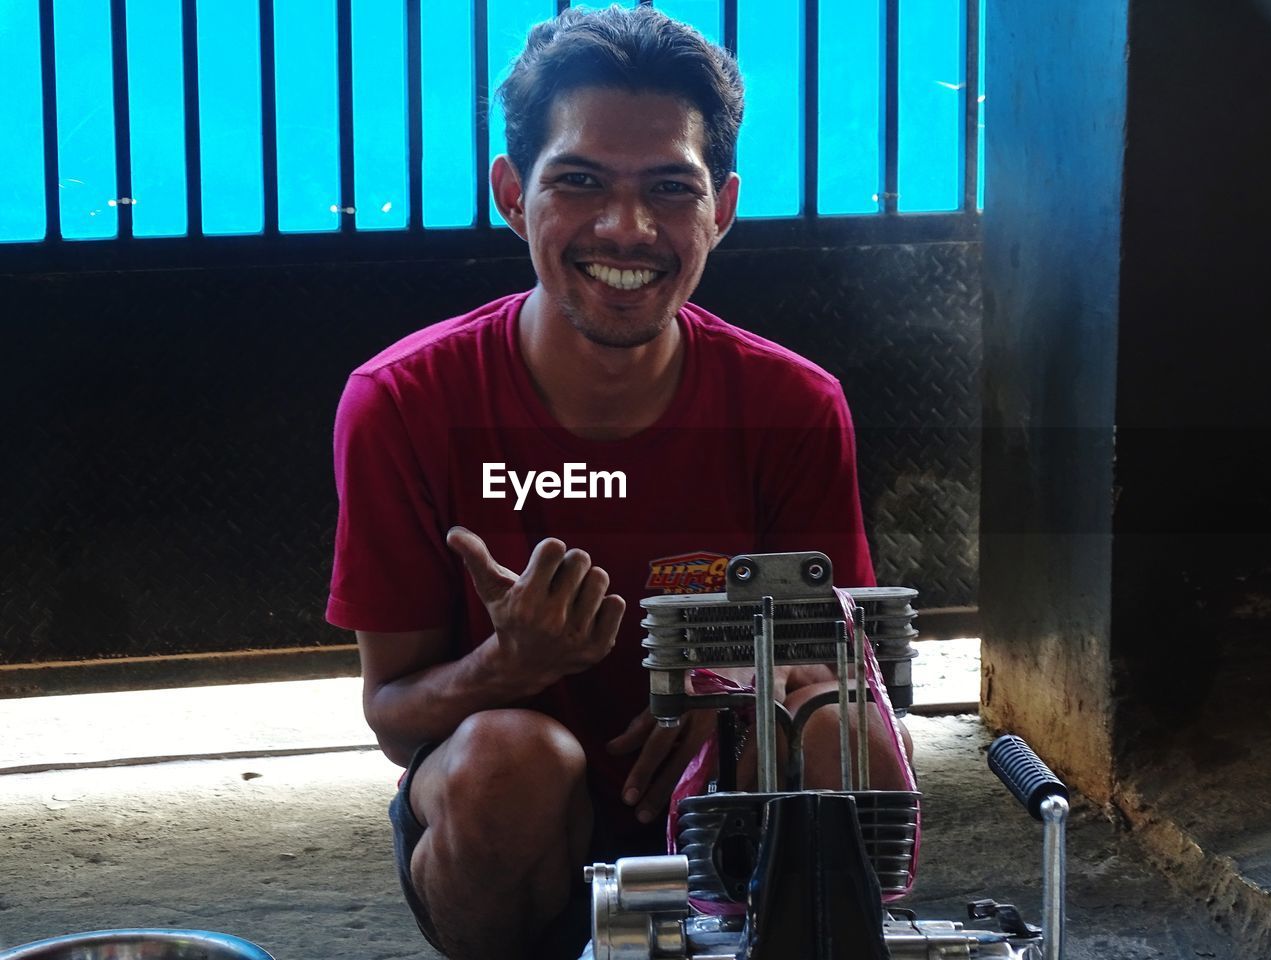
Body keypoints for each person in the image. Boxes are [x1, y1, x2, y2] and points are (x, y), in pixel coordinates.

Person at [326, 6, 912, 959]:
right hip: (516, 833)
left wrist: (730, 695)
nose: (626, 228)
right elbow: (393, 718)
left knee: (839, 737)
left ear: (721, 208)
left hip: (726, 815)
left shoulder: (793, 406)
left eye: (670, 190)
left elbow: (851, 674)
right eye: (581, 181)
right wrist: (508, 667)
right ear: (513, 195)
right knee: (506, 763)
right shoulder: (403, 403)